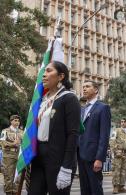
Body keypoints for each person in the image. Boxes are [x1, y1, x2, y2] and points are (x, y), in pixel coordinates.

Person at [28, 61, 81, 195]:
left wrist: (66, 167)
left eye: (49, 71)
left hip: (58, 157)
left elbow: (73, 134)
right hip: (38, 155)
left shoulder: (69, 98)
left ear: (61, 76)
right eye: (44, 71)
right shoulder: (41, 100)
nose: (44, 75)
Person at [78, 80, 111, 195]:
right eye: (83, 87)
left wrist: (99, 158)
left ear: (96, 90)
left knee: (95, 189)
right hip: (81, 155)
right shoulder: (82, 109)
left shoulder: (103, 108)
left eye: (87, 86)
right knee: (85, 189)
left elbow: (104, 135)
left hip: (93, 157)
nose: (84, 89)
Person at [0, 115, 23, 195]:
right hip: (8, 156)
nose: (17, 122)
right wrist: (12, 144)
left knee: (17, 177)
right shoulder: (5, 131)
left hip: (19, 156)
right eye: (15, 120)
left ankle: (16, 193)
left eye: (18, 121)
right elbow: (2, 143)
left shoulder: (21, 132)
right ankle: (8, 193)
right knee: (8, 176)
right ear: (11, 121)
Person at [110, 118, 126, 194]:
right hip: (118, 153)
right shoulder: (116, 130)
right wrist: (115, 151)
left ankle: (121, 187)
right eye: (122, 122)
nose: (123, 123)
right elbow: (112, 140)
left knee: (124, 170)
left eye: (124, 122)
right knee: (116, 170)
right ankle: (115, 187)